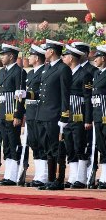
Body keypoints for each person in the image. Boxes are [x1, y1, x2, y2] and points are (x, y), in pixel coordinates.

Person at [37, 40, 72, 191]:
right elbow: (43, 92)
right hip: (44, 113)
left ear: (51, 51)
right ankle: (50, 179)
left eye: (46, 50)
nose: (44, 52)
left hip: (55, 114)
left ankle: (59, 179)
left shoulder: (63, 69)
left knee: (57, 147)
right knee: (47, 147)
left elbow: (65, 94)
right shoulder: (47, 68)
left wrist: (64, 116)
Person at [60, 45, 92, 189]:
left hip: (79, 115)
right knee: (69, 146)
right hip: (67, 115)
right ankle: (73, 177)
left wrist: (87, 119)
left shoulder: (85, 74)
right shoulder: (65, 73)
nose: (63, 58)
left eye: (65, 56)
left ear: (71, 58)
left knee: (80, 146)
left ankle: (81, 178)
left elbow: (87, 98)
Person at [0, 44, 27, 186]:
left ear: (11, 56)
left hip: (12, 113)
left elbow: (20, 96)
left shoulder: (19, 72)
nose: (1, 57)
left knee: (14, 143)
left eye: (4, 54)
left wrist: (18, 115)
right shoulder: (2, 71)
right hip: (3, 112)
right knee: (6, 144)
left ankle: (14, 174)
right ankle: (8, 174)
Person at [23, 44, 47, 187]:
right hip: (31, 112)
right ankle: (38, 175)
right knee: (34, 143)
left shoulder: (44, 71)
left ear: (37, 58)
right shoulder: (31, 73)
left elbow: (43, 93)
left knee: (42, 143)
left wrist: (28, 94)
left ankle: (43, 175)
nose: (28, 58)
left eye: (31, 56)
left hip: (40, 111)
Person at [91, 45, 106, 189]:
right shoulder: (97, 74)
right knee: (102, 146)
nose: (95, 60)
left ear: (104, 58)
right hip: (98, 115)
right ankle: (104, 176)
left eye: (97, 57)